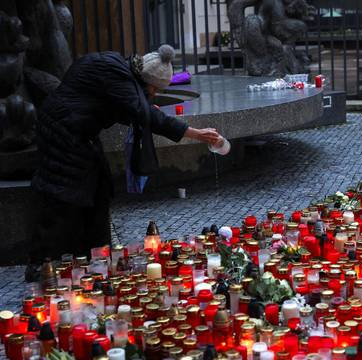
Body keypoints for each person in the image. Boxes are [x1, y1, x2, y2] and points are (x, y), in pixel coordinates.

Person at [26, 45, 223, 281]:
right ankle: (39, 265)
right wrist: (196, 133)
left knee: (100, 187)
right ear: (148, 84)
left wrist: (141, 106)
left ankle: (96, 256)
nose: (152, 95)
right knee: (62, 194)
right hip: (62, 132)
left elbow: (115, 103)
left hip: (78, 132)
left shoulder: (120, 67)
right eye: (153, 91)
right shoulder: (120, 79)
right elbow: (145, 114)